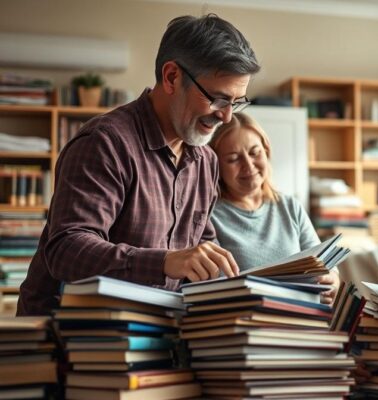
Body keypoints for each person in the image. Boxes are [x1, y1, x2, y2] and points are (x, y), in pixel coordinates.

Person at [18, 14, 260, 316]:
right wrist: (165, 261)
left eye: (236, 102)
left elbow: (200, 249)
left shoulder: (205, 161)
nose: (227, 117)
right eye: (218, 100)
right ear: (172, 77)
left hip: (152, 336)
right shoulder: (105, 142)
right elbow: (66, 250)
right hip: (73, 340)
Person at [208, 113, 340, 304]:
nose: (248, 165)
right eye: (233, 159)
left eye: (255, 153)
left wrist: (332, 280)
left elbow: (326, 266)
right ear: (216, 166)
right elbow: (217, 289)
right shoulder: (209, 217)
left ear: (266, 152)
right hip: (248, 320)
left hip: (304, 318)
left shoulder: (290, 206)